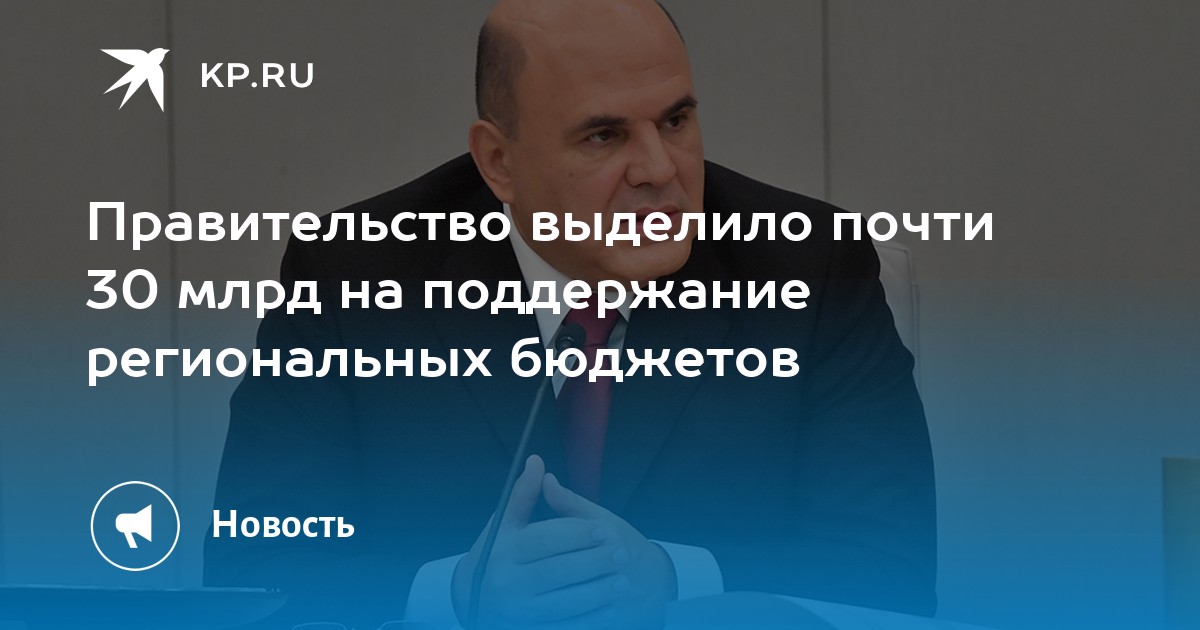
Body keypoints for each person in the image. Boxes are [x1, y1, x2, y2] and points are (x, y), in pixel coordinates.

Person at [206, 1, 936, 628]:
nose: (659, 169)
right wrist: (453, 594)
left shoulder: (809, 265)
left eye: (676, 120)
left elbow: (890, 570)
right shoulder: (353, 273)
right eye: (603, 136)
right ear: (499, 162)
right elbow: (256, 574)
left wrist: (677, 578)